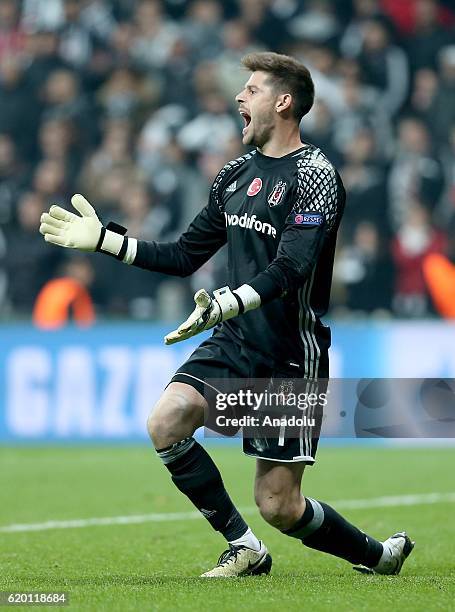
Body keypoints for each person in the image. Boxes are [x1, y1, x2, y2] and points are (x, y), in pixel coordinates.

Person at [39, 51, 414, 578]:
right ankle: (245, 549)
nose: (239, 97)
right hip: (235, 339)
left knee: (279, 505)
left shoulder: (316, 176)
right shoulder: (235, 173)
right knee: (166, 421)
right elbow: (185, 254)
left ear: (284, 103)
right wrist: (106, 241)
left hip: (289, 354)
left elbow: (293, 267)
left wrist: (229, 300)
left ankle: (377, 557)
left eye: (253, 89)